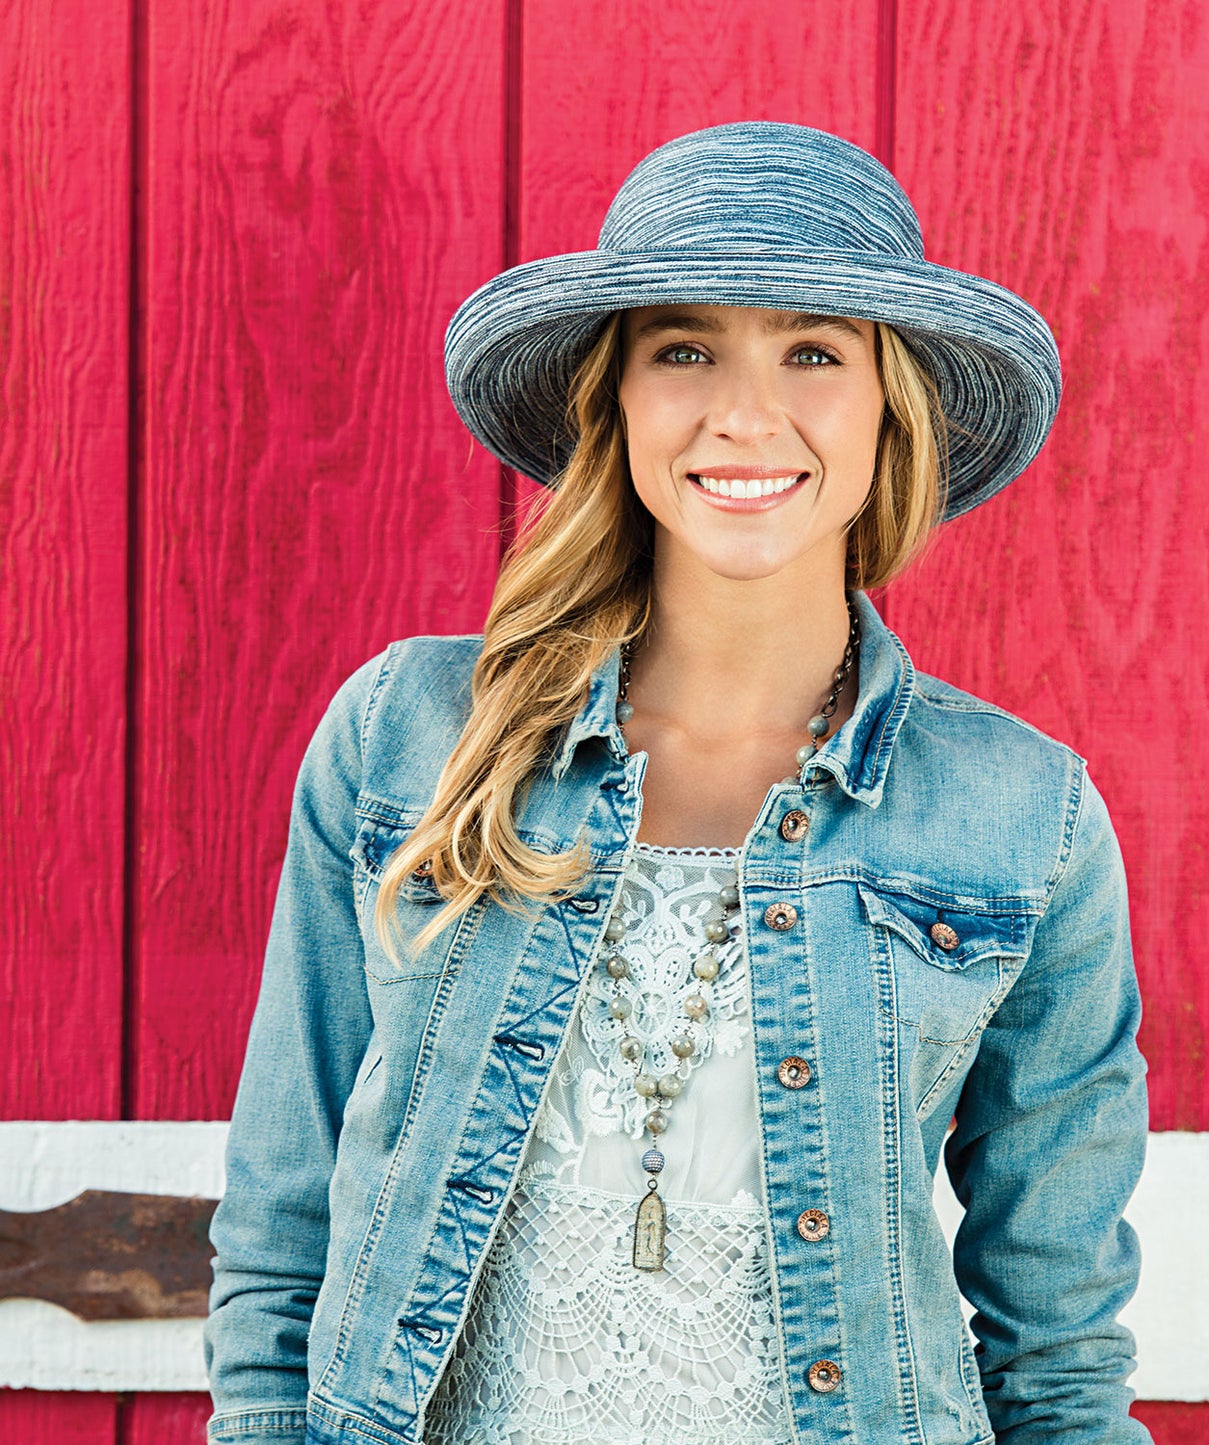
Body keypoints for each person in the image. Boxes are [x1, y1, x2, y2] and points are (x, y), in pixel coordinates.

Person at [204, 121, 1151, 1445]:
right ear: (619, 397)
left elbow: (1055, 1347)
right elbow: (281, 1232)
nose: (744, 412)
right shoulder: (408, 739)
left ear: (890, 408)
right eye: (685, 348)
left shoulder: (1016, 815)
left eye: (813, 352)